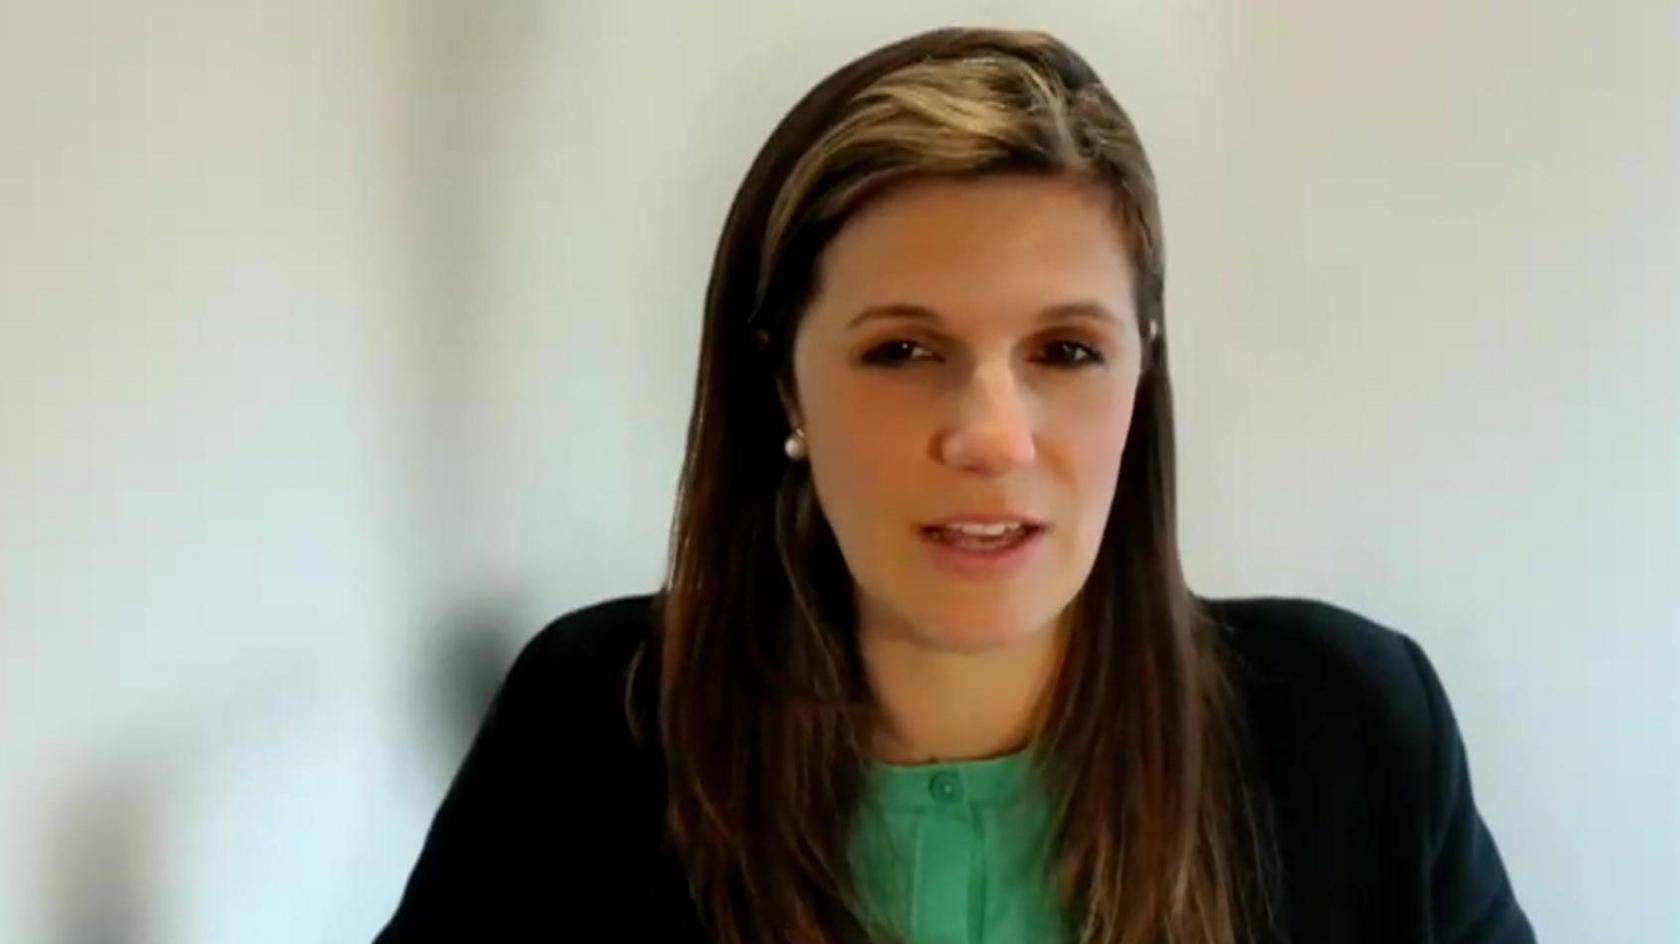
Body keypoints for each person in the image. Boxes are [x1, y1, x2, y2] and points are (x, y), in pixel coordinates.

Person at [375, 27, 1534, 944]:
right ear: (784, 383)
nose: (991, 434)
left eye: (1066, 351)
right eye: (904, 350)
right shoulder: (594, 724)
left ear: (1143, 373)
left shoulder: (1353, 729)